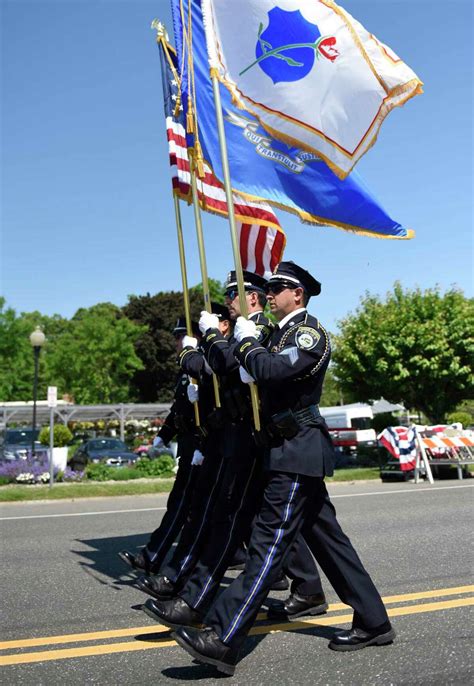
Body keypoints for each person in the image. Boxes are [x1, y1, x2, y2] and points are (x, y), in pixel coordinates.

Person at [172, 261, 395, 676]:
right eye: (269, 288)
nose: (269, 295)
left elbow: (270, 371)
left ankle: (223, 636)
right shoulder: (275, 335)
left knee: (268, 544)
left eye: (277, 288)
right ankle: (374, 621)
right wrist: (221, 340)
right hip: (285, 450)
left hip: (297, 451)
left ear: (299, 293)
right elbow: (239, 370)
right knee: (331, 544)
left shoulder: (307, 333)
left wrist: (244, 341)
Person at [141, 270, 327, 629]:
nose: (228, 305)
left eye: (234, 297)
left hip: (257, 439)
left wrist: (207, 339)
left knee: (232, 520)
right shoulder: (257, 331)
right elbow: (221, 369)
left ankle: (197, 599)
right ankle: (312, 591)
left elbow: (227, 365)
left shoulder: (265, 331)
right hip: (238, 437)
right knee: (265, 523)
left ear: (251, 297)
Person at [118, 317, 207, 575]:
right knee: (190, 506)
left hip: (202, 446)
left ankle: (152, 557)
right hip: (191, 446)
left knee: (184, 504)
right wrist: (162, 437)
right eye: (177, 336)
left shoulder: (202, 364)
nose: (177, 341)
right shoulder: (186, 368)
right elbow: (178, 410)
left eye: (181, 336)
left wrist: (202, 442)